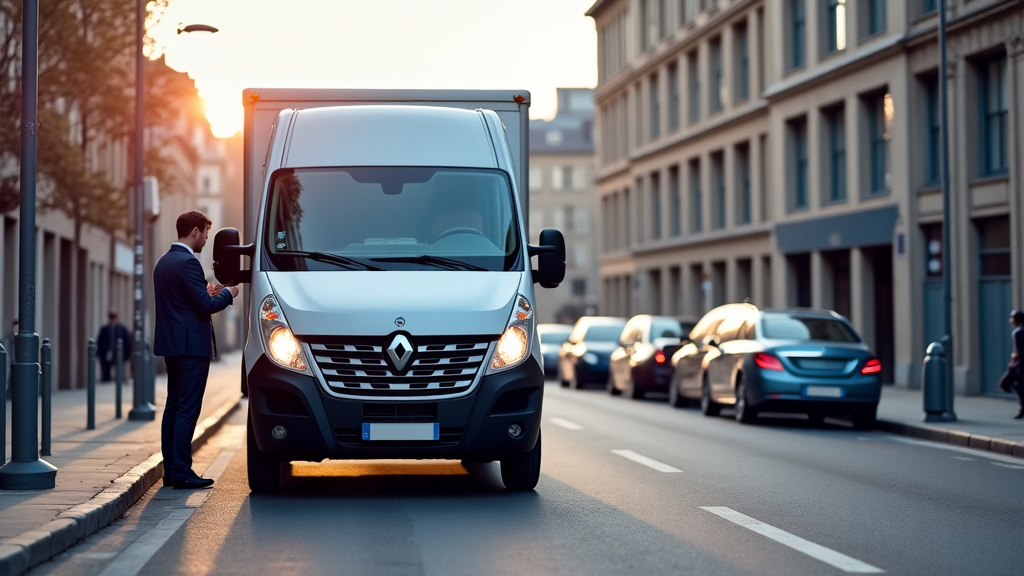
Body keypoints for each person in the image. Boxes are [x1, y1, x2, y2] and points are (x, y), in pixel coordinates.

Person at [154, 211, 239, 490]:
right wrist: (228, 294)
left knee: (173, 407)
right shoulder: (189, 262)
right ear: (194, 232)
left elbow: (186, 301)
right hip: (191, 347)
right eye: (205, 233)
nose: (205, 239)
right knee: (187, 409)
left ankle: (171, 470)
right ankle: (182, 472)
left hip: (172, 346)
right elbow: (206, 306)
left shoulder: (164, 262)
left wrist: (208, 292)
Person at [998, 309, 1024, 419]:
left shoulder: (1017, 332)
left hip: (1020, 364)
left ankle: (1022, 408)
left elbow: (1019, 350)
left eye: (1012, 318)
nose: (1010, 321)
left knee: (1010, 383)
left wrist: (1013, 361)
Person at [96, 311, 132, 382]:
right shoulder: (104, 329)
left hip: (119, 353)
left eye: (114, 317)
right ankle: (106, 378)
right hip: (107, 352)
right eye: (111, 317)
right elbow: (100, 342)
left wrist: (127, 354)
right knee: (106, 367)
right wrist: (99, 353)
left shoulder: (122, 329)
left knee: (119, 368)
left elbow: (127, 341)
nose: (113, 320)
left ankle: (119, 379)